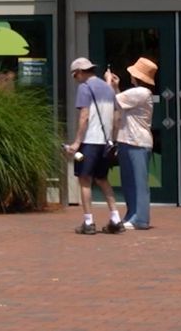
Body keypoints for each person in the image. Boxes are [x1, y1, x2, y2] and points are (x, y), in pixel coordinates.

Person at [65, 57, 123, 235]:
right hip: (105, 142)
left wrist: (76, 142)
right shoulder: (108, 88)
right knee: (102, 179)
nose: (75, 79)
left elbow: (84, 116)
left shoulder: (85, 88)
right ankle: (115, 218)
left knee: (84, 180)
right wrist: (112, 139)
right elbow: (117, 116)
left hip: (90, 141)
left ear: (80, 73)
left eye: (74, 76)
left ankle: (88, 222)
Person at [109, 57, 157, 231]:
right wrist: (115, 86)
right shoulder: (136, 93)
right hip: (128, 139)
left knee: (138, 182)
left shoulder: (141, 92)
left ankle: (140, 218)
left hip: (137, 141)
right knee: (129, 182)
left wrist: (109, 83)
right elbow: (121, 101)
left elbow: (113, 100)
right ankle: (132, 215)